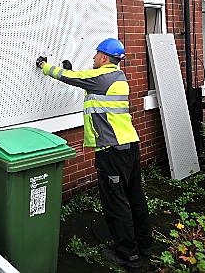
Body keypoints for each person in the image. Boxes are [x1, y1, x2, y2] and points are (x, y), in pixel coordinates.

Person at [36, 38, 152, 269]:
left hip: (112, 151)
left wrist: (43, 65)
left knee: (116, 203)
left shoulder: (100, 78)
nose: (93, 58)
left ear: (105, 57)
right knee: (135, 197)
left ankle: (129, 256)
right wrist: (73, 71)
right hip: (129, 145)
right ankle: (145, 244)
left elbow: (69, 78)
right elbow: (86, 82)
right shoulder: (116, 77)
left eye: (96, 54)